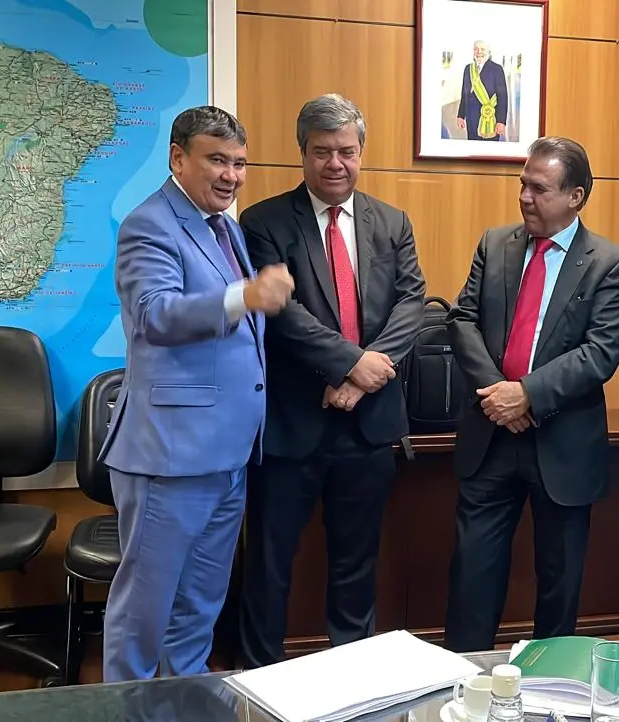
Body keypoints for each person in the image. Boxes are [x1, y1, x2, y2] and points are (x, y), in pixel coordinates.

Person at [98, 106, 294, 682]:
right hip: (170, 456)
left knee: (199, 607)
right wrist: (244, 296)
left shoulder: (224, 227)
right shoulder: (150, 224)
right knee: (144, 612)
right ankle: (127, 711)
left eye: (240, 163)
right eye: (217, 160)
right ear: (178, 158)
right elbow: (155, 315)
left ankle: (182, 704)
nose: (231, 175)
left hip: (228, 455)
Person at [237, 93, 427, 666]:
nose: (335, 163)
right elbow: (281, 314)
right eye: (322, 151)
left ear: (361, 151)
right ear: (303, 153)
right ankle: (259, 676)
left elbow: (412, 302)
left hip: (368, 426)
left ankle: (353, 678)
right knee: (270, 563)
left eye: (346, 151)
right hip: (293, 426)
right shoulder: (263, 221)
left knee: (356, 564)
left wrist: (365, 373)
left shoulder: (391, 222)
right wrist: (348, 362)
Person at [443, 136, 619, 653]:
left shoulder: (608, 262)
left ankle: (552, 682)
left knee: (559, 580)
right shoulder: (495, 244)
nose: (525, 197)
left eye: (539, 189)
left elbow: (600, 352)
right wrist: (499, 396)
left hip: (562, 443)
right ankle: (466, 677)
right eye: (523, 184)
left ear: (576, 196)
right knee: (473, 574)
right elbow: (462, 320)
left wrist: (526, 395)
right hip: (490, 437)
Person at [456, 40, 509, 141]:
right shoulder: (468, 69)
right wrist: (461, 115)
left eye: (482, 49)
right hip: (471, 120)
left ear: (488, 52)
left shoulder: (497, 69)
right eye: (476, 49)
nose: (479, 52)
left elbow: (502, 97)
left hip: (490, 119)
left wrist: (501, 121)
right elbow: (464, 94)